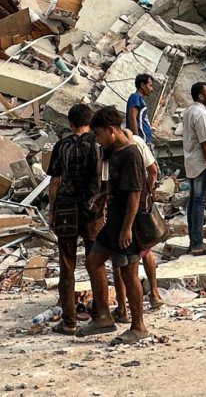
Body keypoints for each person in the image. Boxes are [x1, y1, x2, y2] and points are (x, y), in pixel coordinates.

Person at [78, 106, 150, 343]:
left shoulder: (131, 153)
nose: (98, 140)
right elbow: (118, 187)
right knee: (93, 262)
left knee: (129, 273)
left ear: (111, 130)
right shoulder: (115, 152)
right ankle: (103, 317)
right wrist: (103, 196)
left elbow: (135, 194)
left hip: (127, 224)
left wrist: (127, 228)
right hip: (114, 222)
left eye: (99, 135)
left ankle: (138, 326)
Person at [45, 103, 101, 336]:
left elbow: (54, 181)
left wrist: (52, 210)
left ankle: (69, 321)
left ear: (70, 123)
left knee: (67, 265)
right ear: (90, 123)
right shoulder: (97, 144)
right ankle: (100, 314)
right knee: (95, 262)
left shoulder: (62, 146)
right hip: (91, 209)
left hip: (66, 209)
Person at [112, 128, 163, 318]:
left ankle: (123, 308)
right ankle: (154, 294)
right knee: (145, 249)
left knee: (120, 259)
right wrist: (146, 195)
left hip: (123, 209)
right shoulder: (138, 143)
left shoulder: (115, 149)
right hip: (140, 205)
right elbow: (153, 171)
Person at [181, 81, 206, 255]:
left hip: (192, 163)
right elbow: (205, 144)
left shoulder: (189, 111)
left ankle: (194, 241)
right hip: (201, 164)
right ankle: (197, 244)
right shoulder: (202, 114)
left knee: (193, 202)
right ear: (201, 96)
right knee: (199, 203)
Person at [126, 74, 155, 146]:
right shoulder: (135, 97)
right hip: (141, 141)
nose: (152, 89)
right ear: (142, 85)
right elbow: (132, 118)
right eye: (150, 86)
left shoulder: (140, 99)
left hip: (145, 141)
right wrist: (137, 140)